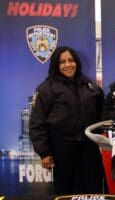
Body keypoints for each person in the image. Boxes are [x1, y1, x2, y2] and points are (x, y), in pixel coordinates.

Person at [29, 46, 105, 195]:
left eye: (71, 60)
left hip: (89, 151)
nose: (68, 65)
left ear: (77, 62)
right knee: (66, 193)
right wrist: (44, 153)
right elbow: (36, 124)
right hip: (62, 151)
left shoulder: (91, 88)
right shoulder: (46, 89)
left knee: (93, 190)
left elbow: (102, 116)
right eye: (62, 62)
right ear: (56, 66)